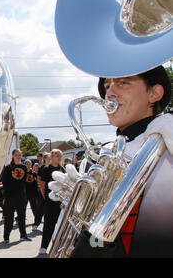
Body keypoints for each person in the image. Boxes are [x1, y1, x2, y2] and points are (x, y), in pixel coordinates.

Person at [69, 65, 172, 258]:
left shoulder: (168, 139)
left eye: (123, 82)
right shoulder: (98, 156)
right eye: (107, 85)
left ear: (155, 93)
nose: (110, 92)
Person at [1, 149, 31, 243]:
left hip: (21, 196)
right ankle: (6, 237)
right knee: (9, 218)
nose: (18, 156)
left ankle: (23, 235)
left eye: (20, 155)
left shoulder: (23, 167)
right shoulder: (8, 168)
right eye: (16, 155)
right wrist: (7, 193)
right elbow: (4, 182)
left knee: (22, 216)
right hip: (10, 197)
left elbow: (24, 182)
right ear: (13, 156)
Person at [38, 149, 64, 255]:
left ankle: (57, 246)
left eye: (60, 156)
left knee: (60, 225)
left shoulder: (62, 169)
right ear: (52, 156)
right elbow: (42, 185)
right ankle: (44, 246)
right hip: (49, 202)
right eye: (57, 155)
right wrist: (46, 198)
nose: (59, 158)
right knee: (48, 225)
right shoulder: (46, 169)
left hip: (60, 203)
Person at [23, 159, 42, 231]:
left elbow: (36, 184)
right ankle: (20, 219)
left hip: (32, 193)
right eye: (27, 164)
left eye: (29, 164)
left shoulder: (33, 173)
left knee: (34, 207)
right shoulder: (23, 173)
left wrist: (37, 193)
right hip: (25, 193)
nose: (28, 165)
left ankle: (36, 220)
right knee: (23, 207)